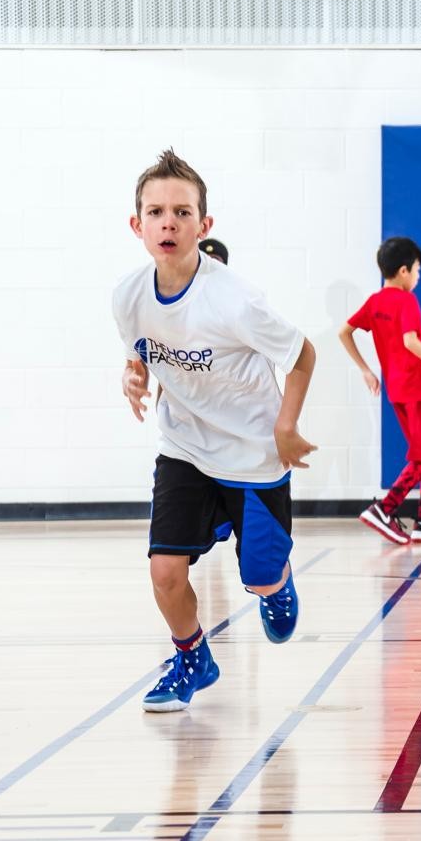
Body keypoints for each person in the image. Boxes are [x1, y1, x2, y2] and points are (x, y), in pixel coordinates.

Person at [113, 148, 317, 712]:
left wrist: (286, 426)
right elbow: (139, 353)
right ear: (137, 224)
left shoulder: (235, 300)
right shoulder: (128, 295)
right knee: (164, 572)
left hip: (253, 455)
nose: (168, 224)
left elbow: (303, 355)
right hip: (184, 447)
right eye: (156, 212)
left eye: (182, 212)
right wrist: (132, 377)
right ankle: (193, 658)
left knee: (260, 575)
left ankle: (275, 585)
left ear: (204, 225)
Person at [341, 236, 421, 544]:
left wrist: (365, 370)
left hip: (398, 390)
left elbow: (344, 332)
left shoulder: (375, 302)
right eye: (418, 270)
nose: (419, 277)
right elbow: (411, 341)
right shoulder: (406, 300)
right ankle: (384, 509)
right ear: (404, 271)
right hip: (417, 388)